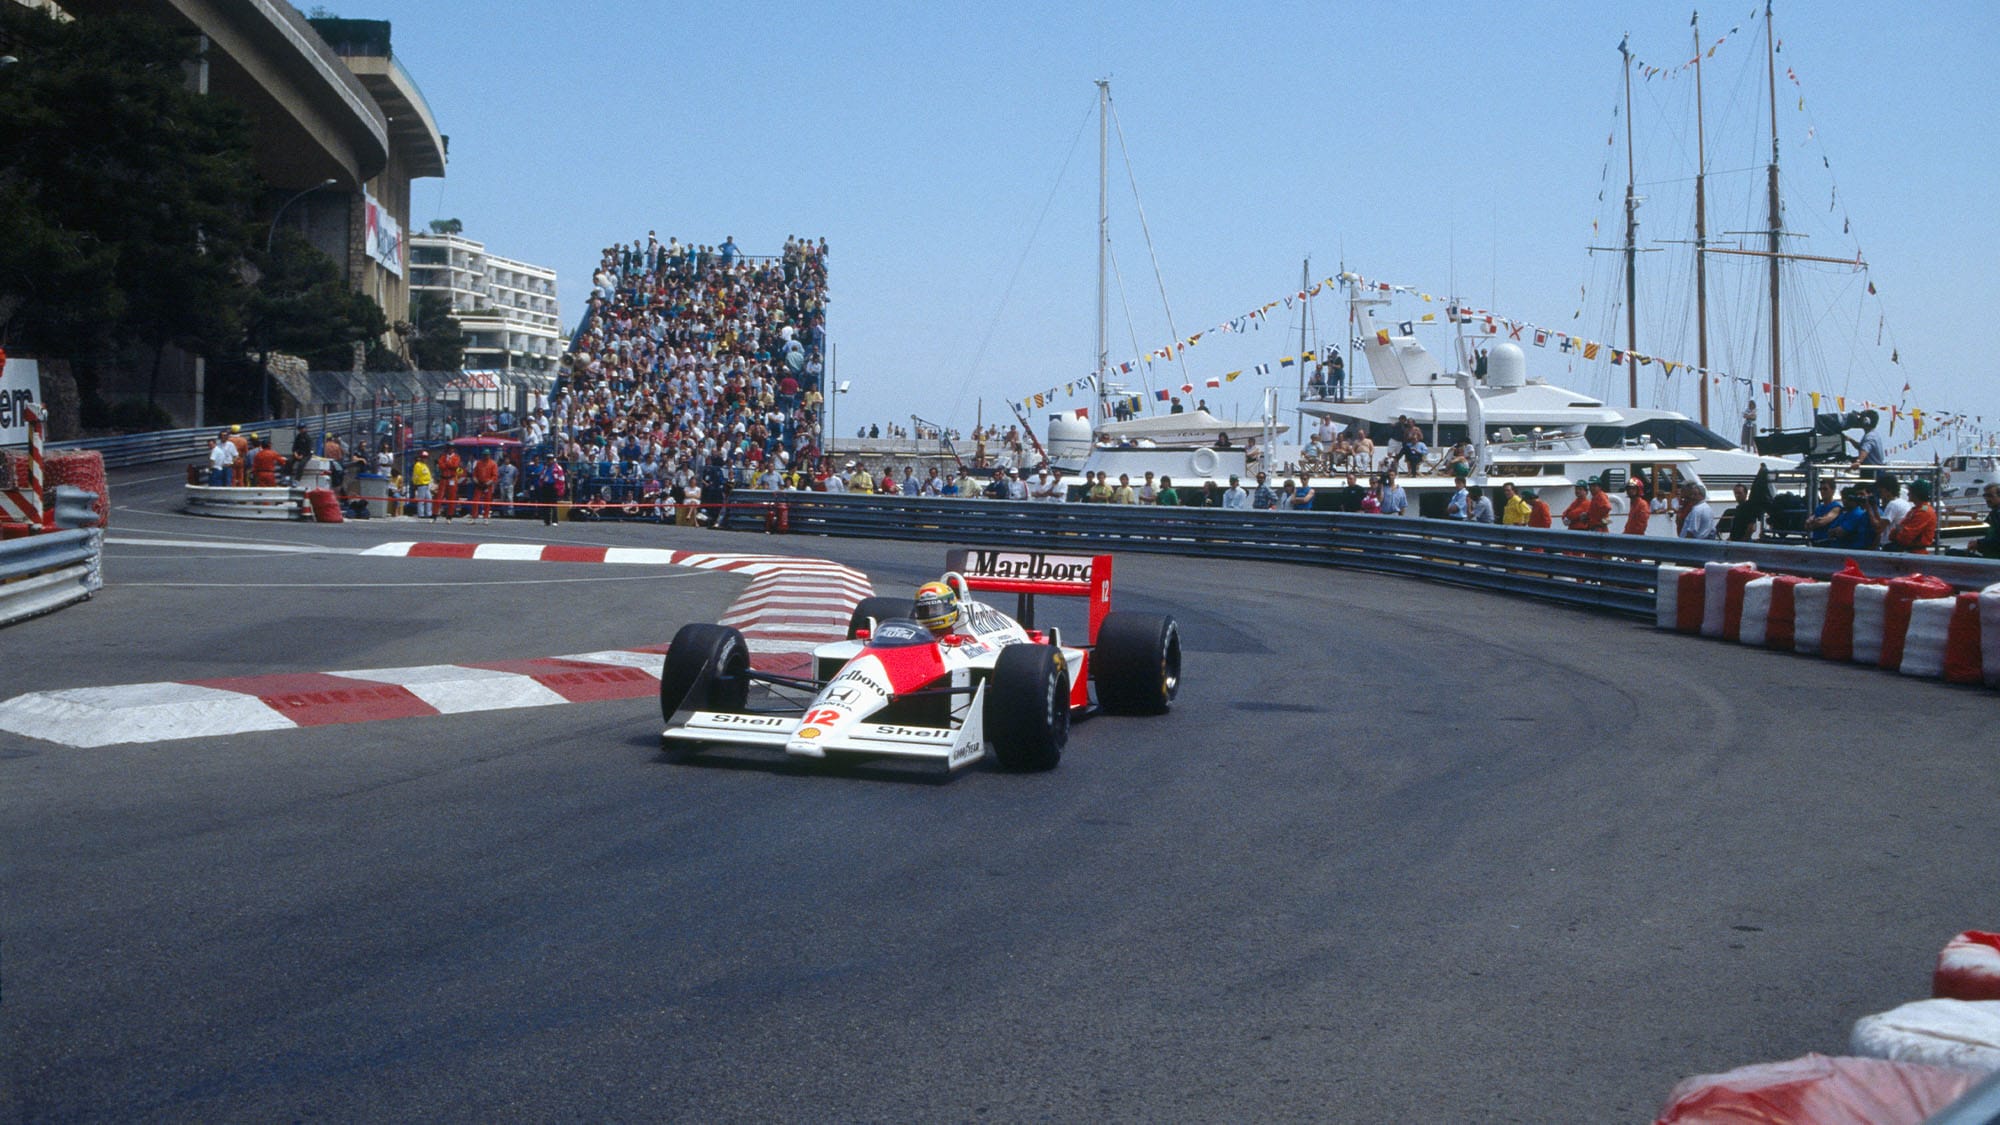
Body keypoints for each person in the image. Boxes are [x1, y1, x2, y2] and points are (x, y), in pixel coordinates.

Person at [1887, 479, 1937, 553]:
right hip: (1909, 551)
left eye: (1910, 492)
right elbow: (1892, 534)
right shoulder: (1915, 510)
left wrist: (1899, 530)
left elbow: (1905, 537)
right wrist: (1900, 531)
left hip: (1916, 554)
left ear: (1916, 494)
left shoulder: (1924, 511)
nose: (1908, 494)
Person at [1869, 472, 1912, 549]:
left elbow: (1879, 528)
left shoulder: (1892, 505)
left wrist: (1868, 509)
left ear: (1888, 490)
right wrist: (1875, 508)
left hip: (1891, 545)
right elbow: (1883, 523)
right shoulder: (1903, 503)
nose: (1880, 495)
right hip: (1899, 544)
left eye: (1881, 491)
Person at [1803, 478, 1843, 547]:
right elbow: (1807, 525)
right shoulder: (1819, 507)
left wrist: (1813, 523)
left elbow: (1822, 522)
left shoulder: (1836, 507)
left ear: (1833, 491)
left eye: (1825, 489)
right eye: (1820, 489)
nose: (1822, 491)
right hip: (1817, 543)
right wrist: (1814, 522)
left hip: (1829, 545)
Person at [1967, 483, 2000, 557]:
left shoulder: (1997, 514)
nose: (1987, 499)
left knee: (1952, 553)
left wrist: (1979, 543)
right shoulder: (1993, 514)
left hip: (1994, 561)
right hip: (1990, 556)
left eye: (1990, 496)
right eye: (1985, 496)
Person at [470, 448, 499, 522]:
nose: (486, 456)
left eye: (487, 455)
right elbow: (474, 474)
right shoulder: (479, 463)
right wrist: (476, 481)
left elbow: (495, 476)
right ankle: (474, 517)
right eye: (484, 455)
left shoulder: (493, 464)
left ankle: (486, 517)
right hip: (479, 484)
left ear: (489, 455)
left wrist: (488, 483)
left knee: (487, 501)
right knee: (475, 501)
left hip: (487, 485)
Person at [410, 450, 435, 519]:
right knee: (421, 500)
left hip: (426, 484)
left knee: (429, 499)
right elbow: (416, 475)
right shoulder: (418, 465)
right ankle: (421, 514)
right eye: (424, 457)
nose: (425, 459)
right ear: (420, 457)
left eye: (426, 457)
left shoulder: (424, 465)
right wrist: (416, 483)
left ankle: (428, 513)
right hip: (421, 484)